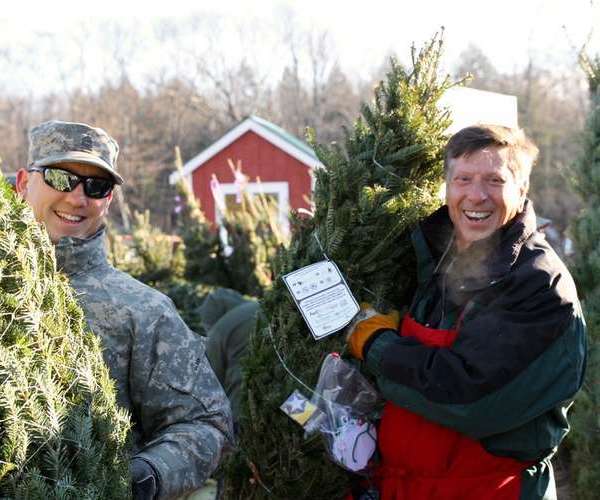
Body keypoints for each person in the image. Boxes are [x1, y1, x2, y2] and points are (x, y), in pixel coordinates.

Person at [346, 125, 586, 500]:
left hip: (492, 490)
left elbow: (468, 399)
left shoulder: (538, 284)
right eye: (464, 179)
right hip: (409, 487)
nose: (477, 195)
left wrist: (379, 346)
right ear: (447, 186)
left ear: (521, 190)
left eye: (495, 180)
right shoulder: (433, 259)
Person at [16, 120, 233, 500]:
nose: (77, 199)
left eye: (96, 186)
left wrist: (144, 476)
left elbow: (204, 425)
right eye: (60, 178)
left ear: (109, 200)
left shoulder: (143, 311)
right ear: (23, 182)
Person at [201, 287, 259, 426]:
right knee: (296, 405)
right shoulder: (261, 306)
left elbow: (213, 380)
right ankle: (315, 431)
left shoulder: (219, 330)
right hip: (291, 383)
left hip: (247, 403)